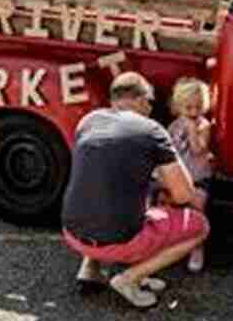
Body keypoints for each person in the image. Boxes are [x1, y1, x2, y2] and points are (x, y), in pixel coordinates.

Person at [61, 72, 209, 309]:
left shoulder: (88, 120)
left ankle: (90, 268)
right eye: (151, 102)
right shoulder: (152, 130)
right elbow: (184, 194)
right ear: (142, 100)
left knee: (104, 187)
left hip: (71, 232)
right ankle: (129, 279)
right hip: (117, 242)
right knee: (199, 227)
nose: (151, 108)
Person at [165, 78, 215, 272]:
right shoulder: (173, 126)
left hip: (197, 177)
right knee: (170, 207)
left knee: (197, 208)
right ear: (178, 107)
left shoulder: (203, 126)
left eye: (198, 107)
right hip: (179, 175)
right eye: (188, 108)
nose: (194, 113)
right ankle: (170, 244)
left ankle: (197, 247)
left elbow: (197, 150)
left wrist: (192, 129)